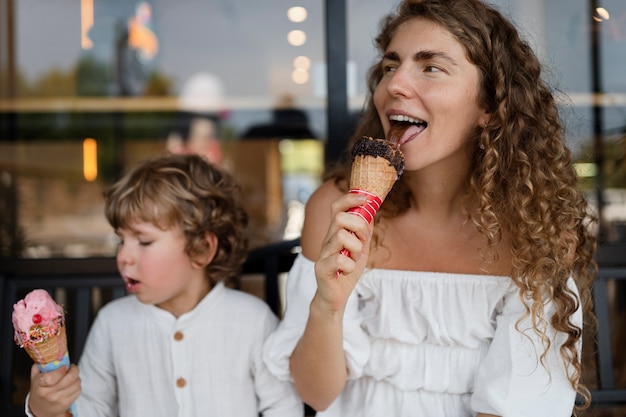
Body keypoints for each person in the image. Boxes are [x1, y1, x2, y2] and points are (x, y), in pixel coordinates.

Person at [262, 1, 597, 416]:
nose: (394, 86)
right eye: (390, 66)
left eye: (430, 67)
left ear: (489, 107)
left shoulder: (535, 228)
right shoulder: (335, 208)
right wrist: (327, 306)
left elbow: (517, 406)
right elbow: (315, 394)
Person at [26, 154, 304, 417]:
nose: (123, 256)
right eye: (121, 240)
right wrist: (47, 408)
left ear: (201, 249)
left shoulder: (252, 320)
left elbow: (283, 407)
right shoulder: (113, 322)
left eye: (144, 241)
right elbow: (93, 407)